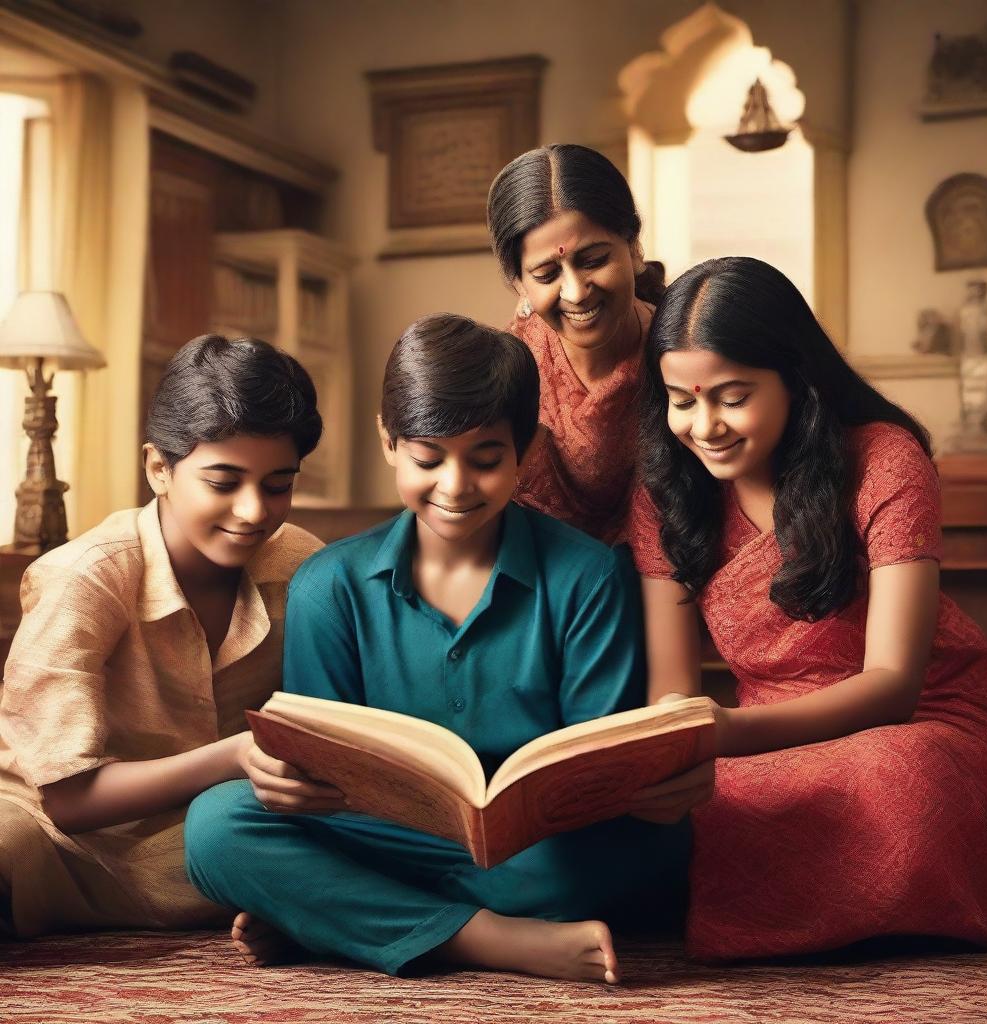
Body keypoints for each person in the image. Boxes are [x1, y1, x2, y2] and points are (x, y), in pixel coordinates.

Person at [184, 314, 707, 983]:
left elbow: (596, 771)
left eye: (486, 460)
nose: (456, 486)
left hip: (542, 850)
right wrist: (295, 785)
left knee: (657, 844)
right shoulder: (330, 584)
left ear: (525, 450)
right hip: (387, 840)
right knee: (217, 826)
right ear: (389, 443)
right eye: (428, 459)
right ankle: (488, 940)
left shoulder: (587, 576)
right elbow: (325, 769)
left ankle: (338, 918)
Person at [630, 256, 987, 959]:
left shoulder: (883, 461)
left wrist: (718, 736)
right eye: (682, 400)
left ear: (796, 380)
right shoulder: (664, 489)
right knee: (687, 808)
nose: (704, 425)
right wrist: (676, 747)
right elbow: (672, 690)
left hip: (923, 719)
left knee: (902, 783)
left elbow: (893, 686)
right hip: (765, 734)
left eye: (731, 395)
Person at [0, 334, 324, 937]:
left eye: (278, 485)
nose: (254, 510)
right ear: (159, 468)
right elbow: (65, 799)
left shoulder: (302, 562)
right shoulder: (85, 576)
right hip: (58, 839)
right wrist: (231, 758)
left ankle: (287, 902)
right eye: (224, 482)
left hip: (211, 832)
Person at [487, 144, 665, 545]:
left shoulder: (683, 352)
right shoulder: (503, 374)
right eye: (547, 274)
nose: (577, 292)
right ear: (519, 283)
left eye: (593, 260)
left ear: (634, 247)